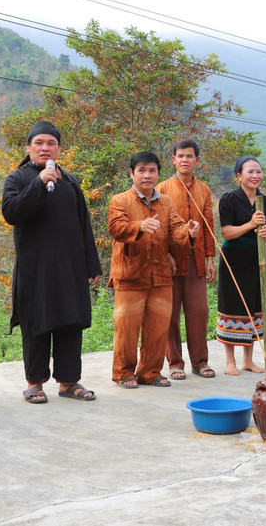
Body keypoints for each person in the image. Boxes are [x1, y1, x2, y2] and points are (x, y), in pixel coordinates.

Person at [2, 121, 102, 403]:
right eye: (39, 143)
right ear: (29, 148)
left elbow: (84, 225)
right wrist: (39, 182)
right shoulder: (18, 178)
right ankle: (35, 383)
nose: (45, 148)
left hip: (70, 268)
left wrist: (91, 264)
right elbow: (11, 212)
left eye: (51, 143)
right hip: (36, 269)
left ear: (59, 148)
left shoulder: (70, 181)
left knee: (70, 322)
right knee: (37, 323)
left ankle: (69, 382)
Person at [108, 151, 201, 388]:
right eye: (142, 170)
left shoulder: (166, 202)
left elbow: (176, 228)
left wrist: (189, 231)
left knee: (158, 327)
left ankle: (150, 372)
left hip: (160, 274)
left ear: (158, 174)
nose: (147, 175)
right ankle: (124, 373)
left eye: (152, 170)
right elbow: (116, 228)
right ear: (132, 173)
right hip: (130, 274)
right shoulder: (119, 200)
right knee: (126, 328)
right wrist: (140, 226)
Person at [156, 139, 217, 381]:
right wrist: (166, 254)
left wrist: (210, 259)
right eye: (180, 156)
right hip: (170, 260)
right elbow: (159, 228)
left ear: (197, 160)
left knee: (198, 312)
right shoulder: (162, 188)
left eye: (189, 156)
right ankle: (175, 363)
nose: (184, 160)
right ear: (173, 159)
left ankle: (200, 363)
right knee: (170, 315)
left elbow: (210, 225)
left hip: (197, 259)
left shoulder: (204, 189)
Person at [216, 156, 266, 376]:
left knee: (253, 305)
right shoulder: (229, 199)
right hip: (233, 257)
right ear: (239, 176)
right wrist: (250, 224)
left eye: (258, 171)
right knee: (232, 305)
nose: (255, 176)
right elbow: (227, 232)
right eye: (250, 172)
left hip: (256, 258)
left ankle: (248, 360)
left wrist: (265, 234)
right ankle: (229, 361)